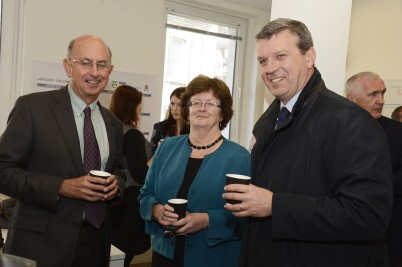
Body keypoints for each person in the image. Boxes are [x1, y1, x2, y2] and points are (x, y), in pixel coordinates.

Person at [223, 18, 393, 266]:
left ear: (309, 57)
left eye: (281, 56)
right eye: (263, 60)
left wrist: (275, 205)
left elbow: (368, 215)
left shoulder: (349, 120)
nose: (270, 68)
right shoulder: (269, 120)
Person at [0, 35, 125, 267]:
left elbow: (120, 169)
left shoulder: (113, 124)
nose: (95, 72)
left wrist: (116, 184)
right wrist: (62, 187)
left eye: (102, 64)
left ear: (110, 70)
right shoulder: (32, 108)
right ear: (68, 67)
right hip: (40, 245)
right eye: (85, 62)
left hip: (96, 244)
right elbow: (3, 170)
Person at [139, 74, 250, 267]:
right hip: (164, 255)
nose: (202, 108)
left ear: (222, 113)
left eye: (210, 103)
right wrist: (156, 211)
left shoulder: (239, 157)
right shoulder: (166, 148)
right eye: (195, 102)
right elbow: (145, 195)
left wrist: (207, 220)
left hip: (213, 258)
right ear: (187, 109)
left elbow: (245, 215)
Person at [346, 71, 402, 267]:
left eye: (383, 93)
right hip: (344, 233)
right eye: (373, 94)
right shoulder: (335, 130)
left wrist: (373, 184)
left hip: (388, 234)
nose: (381, 100)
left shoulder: (397, 132)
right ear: (351, 99)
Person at [109, 84, 151, 267]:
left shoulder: (111, 130)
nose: (141, 109)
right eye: (139, 104)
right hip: (129, 207)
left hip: (113, 202)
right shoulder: (132, 135)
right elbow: (141, 174)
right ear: (132, 106)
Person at [150, 87, 189, 153]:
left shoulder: (194, 129)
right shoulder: (160, 127)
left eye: (179, 105)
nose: (175, 108)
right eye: (172, 104)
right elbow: (152, 153)